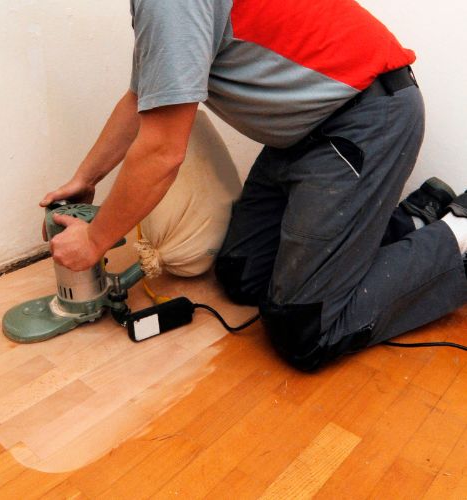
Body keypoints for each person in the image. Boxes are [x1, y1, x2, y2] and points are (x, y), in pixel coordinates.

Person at [41, 0, 467, 371]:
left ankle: (460, 233)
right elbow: (141, 98)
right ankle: (415, 218)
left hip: (362, 119)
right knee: (242, 276)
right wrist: (85, 179)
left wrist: (95, 241)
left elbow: (162, 151)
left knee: (304, 328)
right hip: (304, 132)